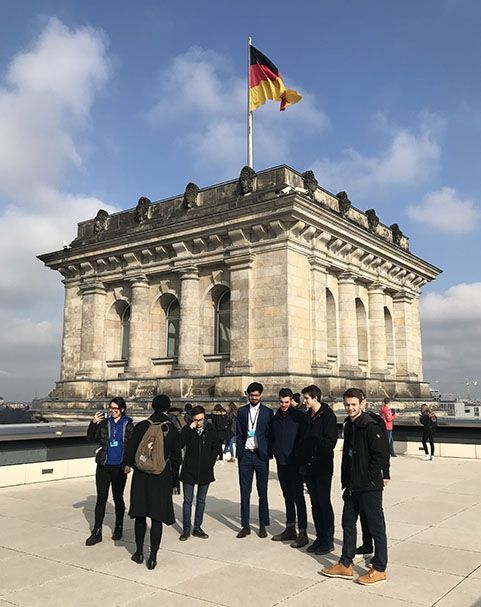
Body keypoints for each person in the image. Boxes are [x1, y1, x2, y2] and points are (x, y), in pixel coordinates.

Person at [322, 388, 390, 586]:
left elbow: (381, 455)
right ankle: (345, 563)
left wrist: (372, 478)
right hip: (352, 485)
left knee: (376, 527)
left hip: (368, 486)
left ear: (363, 403)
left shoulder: (370, 425)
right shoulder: (349, 424)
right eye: (347, 405)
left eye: (353, 404)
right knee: (348, 523)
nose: (350, 408)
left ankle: (379, 568)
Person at [125, 394, 181, 570]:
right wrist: (174, 481)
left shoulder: (141, 426)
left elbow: (130, 450)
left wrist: (128, 465)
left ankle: (139, 552)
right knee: (157, 518)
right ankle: (153, 557)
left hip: (141, 475)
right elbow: (177, 458)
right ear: (167, 407)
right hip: (161, 475)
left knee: (140, 515)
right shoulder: (171, 428)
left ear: (152, 406)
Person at [85, 397, 133, 546]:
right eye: (111, 408)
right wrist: (93, 423)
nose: (113, 411)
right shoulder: (105, 423)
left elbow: (132, 446)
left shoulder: (129, 425)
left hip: (119, 467)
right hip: (104, 466)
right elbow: (90, 438)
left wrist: (129, 463)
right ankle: (96, 531)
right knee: (101, 499)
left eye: (116, 409)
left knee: (118, 498)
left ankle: (119, 527)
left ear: (122, 410)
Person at [297, 385, 338, 554]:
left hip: (322, 466)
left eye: (306, 398)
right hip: (308, 467)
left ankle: (328, 540)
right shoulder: (306, 416)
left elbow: (330, 442)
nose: (304, 401)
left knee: (323, 502)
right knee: (315, 503)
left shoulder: (328, 415)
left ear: (315, 398)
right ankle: (320, 537)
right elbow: (302, 439)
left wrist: (314, 453)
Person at [271, 388, 308, 548]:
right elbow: (272, 436)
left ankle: (303, 532)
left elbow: (303, 438)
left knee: (298, 497)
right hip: (281, 462)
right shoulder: (276, 417)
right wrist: (275, 452)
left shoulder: (299, 416)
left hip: (295, 463)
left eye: (287, 402)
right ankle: (290, 528)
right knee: (287, 496)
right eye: (281, 402)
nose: (284, 405)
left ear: (291, 400)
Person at [236, 382, 274, 538]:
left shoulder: (267, 412)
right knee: (245, 492)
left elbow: (270, 434)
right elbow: (238, 432)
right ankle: (245, 525)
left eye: (257, 395)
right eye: (251, 395)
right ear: (248, 395)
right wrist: (239, 450)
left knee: (262, 492)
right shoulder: (242, 412)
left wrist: (268, 452)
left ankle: (263, 524)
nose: (254, 398)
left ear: (261, 396)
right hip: (245, 455)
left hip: (260, 456)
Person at [179, 405, 219, 541]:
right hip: (189, 470)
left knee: (201, 501)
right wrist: (188, 430)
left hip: (205, 470)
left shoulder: (210, 428)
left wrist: (210, 461)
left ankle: (197, 527)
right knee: (187, 501)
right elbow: (179, 443)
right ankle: (186, 529)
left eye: (201, 419)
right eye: (196, 420)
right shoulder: (188, 429)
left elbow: (216, 447)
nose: (199, 422)